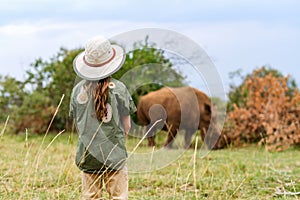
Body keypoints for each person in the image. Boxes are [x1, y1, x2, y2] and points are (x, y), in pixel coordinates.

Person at [69, 35, 136, 200]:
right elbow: (127, 126)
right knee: (119, 196)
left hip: (88, 155)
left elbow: (78, 123)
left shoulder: (78, 90)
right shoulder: (119, 88)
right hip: (115, 154)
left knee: (91, 196)